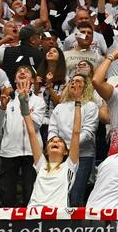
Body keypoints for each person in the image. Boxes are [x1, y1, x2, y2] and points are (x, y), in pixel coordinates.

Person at [0, 66, 47, 207]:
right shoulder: (7, 99)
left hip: (32, 152)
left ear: (32, 80)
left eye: (26, 71)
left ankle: (31, 227)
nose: (22, 72)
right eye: (19, 71)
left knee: (31, 193)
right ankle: (6, 227)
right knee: (7, 194)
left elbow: (35, 126)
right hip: (9, 152)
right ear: (14, 80)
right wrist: (2, 107)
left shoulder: (39, 101)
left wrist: (24, 101)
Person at [25, 78, 81, 208]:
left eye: (59, 141)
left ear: (66, 151)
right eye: (52, 141)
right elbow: (31, 132)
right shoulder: (41, 164)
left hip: (58, 217)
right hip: (34, 215)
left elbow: (76, 133)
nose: (55, 141)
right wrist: (24, 103)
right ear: (46, 150)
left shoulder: (69, 166)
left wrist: (77, 101)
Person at [47, 73, 99, 206]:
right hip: (61, 156)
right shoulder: (60, 107)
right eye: (72, 81)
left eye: (78, 81)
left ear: (85, 86)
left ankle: (76, 226)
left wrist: (69, 147)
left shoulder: (91, 106)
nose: (74, 83)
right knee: (61, 194)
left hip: (83, 156)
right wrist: (56, 146)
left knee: (76, 195)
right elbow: (52, 130)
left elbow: (88, 133)